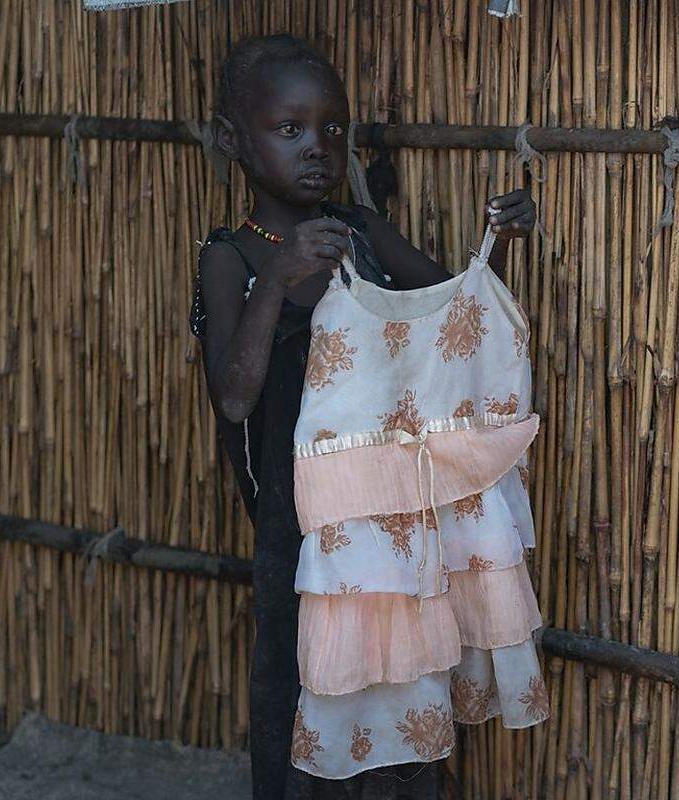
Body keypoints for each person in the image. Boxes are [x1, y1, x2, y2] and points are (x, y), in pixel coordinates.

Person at [190, 34, 536, 799]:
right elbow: (235, 395)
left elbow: (455, 328)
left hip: (394, 522)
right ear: (230, 140)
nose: (319, 147)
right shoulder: (235, 258)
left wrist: (498, 245)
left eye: (334, 129)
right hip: (300, 531)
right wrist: (277, 282)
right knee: (300, 681)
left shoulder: (363, 236)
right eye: (291, 130)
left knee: (404, 682)